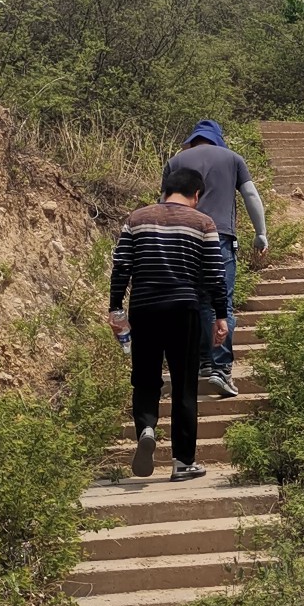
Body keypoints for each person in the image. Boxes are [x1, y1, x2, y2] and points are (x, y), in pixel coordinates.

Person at [107, 165, 229, 482]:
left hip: (144, 309)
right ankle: (182, 462)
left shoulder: (136, 219)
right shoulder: (203, 223)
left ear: (165, 190)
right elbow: (215, 275)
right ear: (197, 195)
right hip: (184, 310)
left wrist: (115, 308)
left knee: (145, 378)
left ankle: (146, 427)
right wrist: (220, 315)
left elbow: (121, 267)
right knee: (184, 385)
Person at [160, 120, 268, 400]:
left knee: (190, 302)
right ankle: (220, 369)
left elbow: (164, 203)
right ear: (217, 139)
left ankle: (201, 363)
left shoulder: (176, 160)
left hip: (181, 239)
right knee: (220, 303)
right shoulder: (233, 158)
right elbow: (250, 195)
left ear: (193, 139)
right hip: (218, 238)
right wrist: (260, 233)